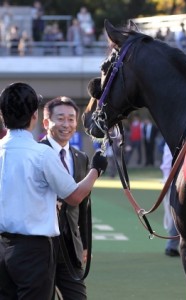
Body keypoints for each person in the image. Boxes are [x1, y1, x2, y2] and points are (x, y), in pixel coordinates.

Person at [0, 82, 107, 300]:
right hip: (34, 249)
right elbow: (75, 196)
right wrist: (96, 169)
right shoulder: (41, 154)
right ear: (35, 117)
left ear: (3, 115)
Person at [40, 96, 91, 299]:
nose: (66, 124)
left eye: (71, 119)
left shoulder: (81, 157)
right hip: (41, 245)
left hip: (71, 247)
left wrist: (85, 244)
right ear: (46, 122)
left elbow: (84, 204)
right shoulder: (36, 153)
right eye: (60, 118)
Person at [160, 143, 180, 257]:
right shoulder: (176, 142)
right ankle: (171, 246)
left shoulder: (168, 143)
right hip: (174, 182)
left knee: (173, 214)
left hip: (168, 180)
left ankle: (172, 244)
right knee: (177, 215)